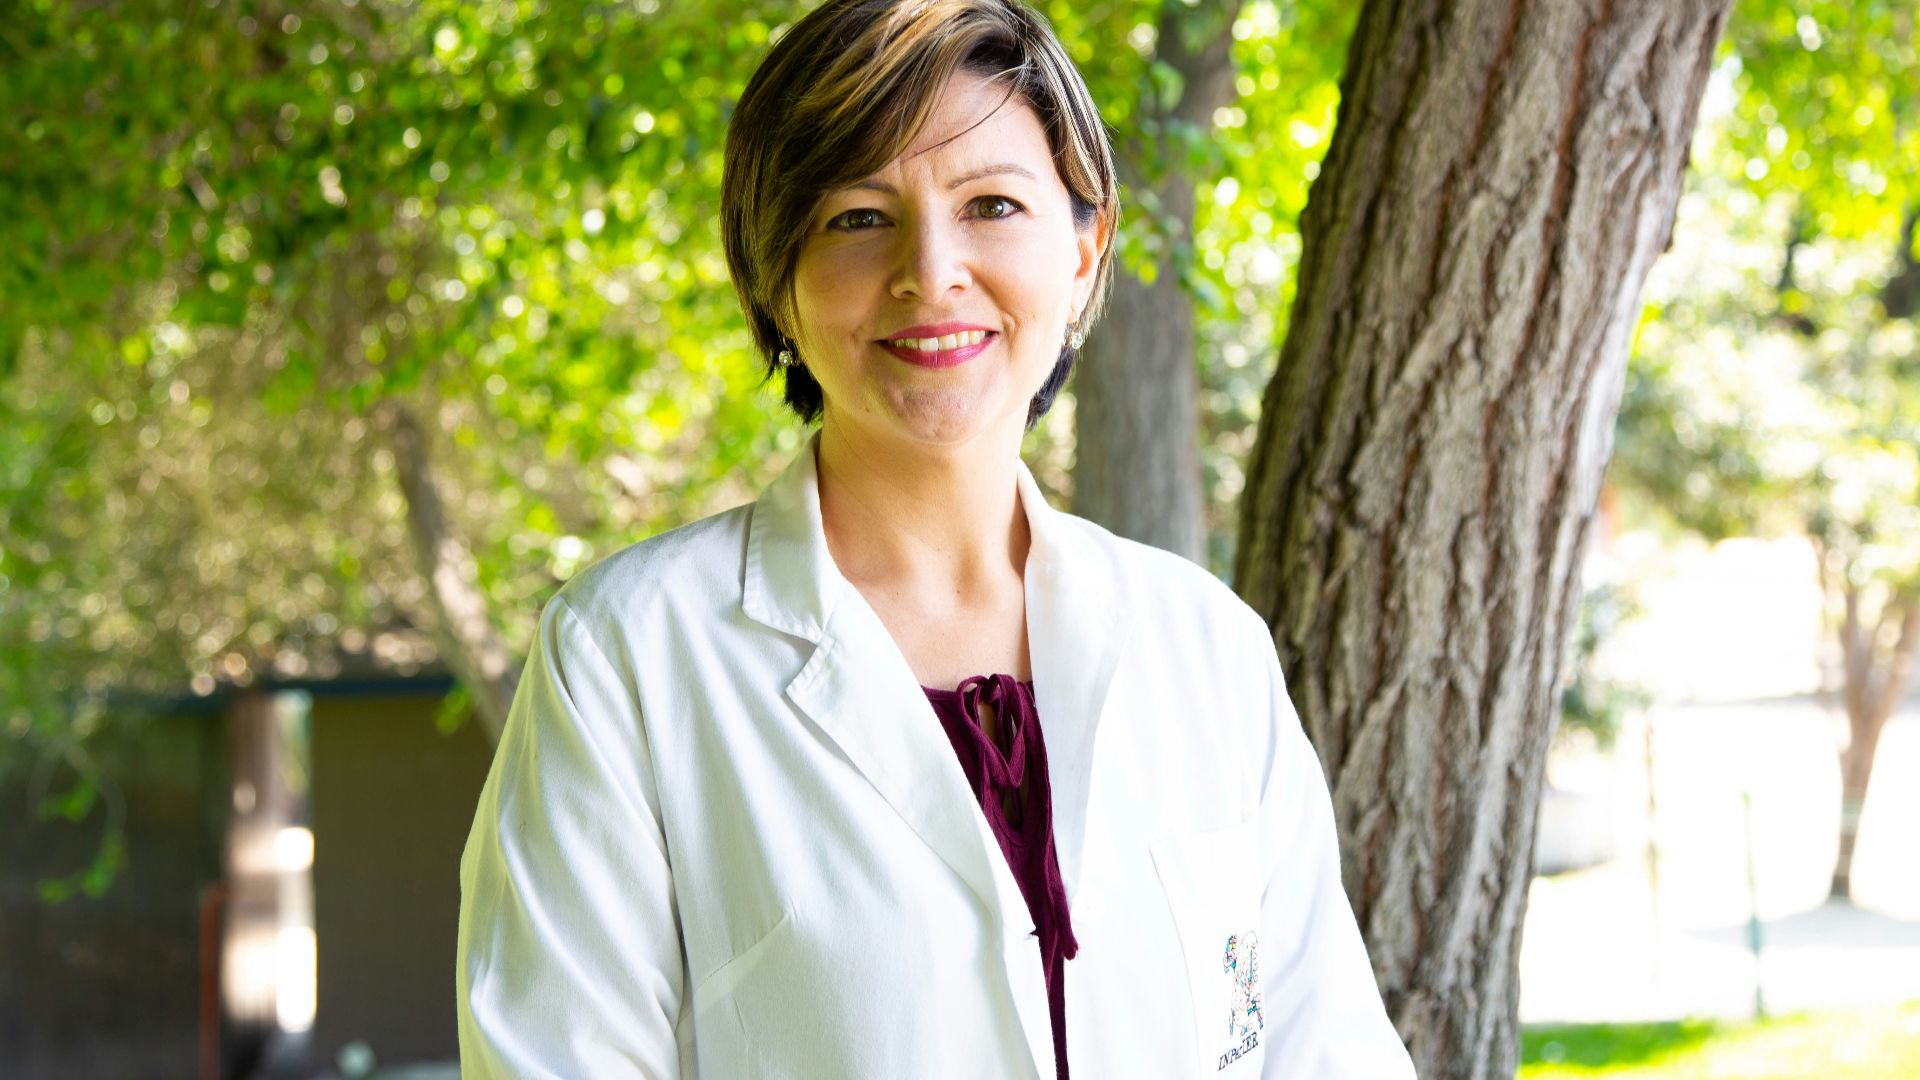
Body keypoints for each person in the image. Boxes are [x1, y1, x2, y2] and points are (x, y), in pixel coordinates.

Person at [455, 0, 1415, 1076]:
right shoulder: (627, 659)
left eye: (993, 204)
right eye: (859, 218)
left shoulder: (1208, 649)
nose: (932, 269)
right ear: (777, 280)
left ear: (1087, 251)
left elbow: (1322, 1051)